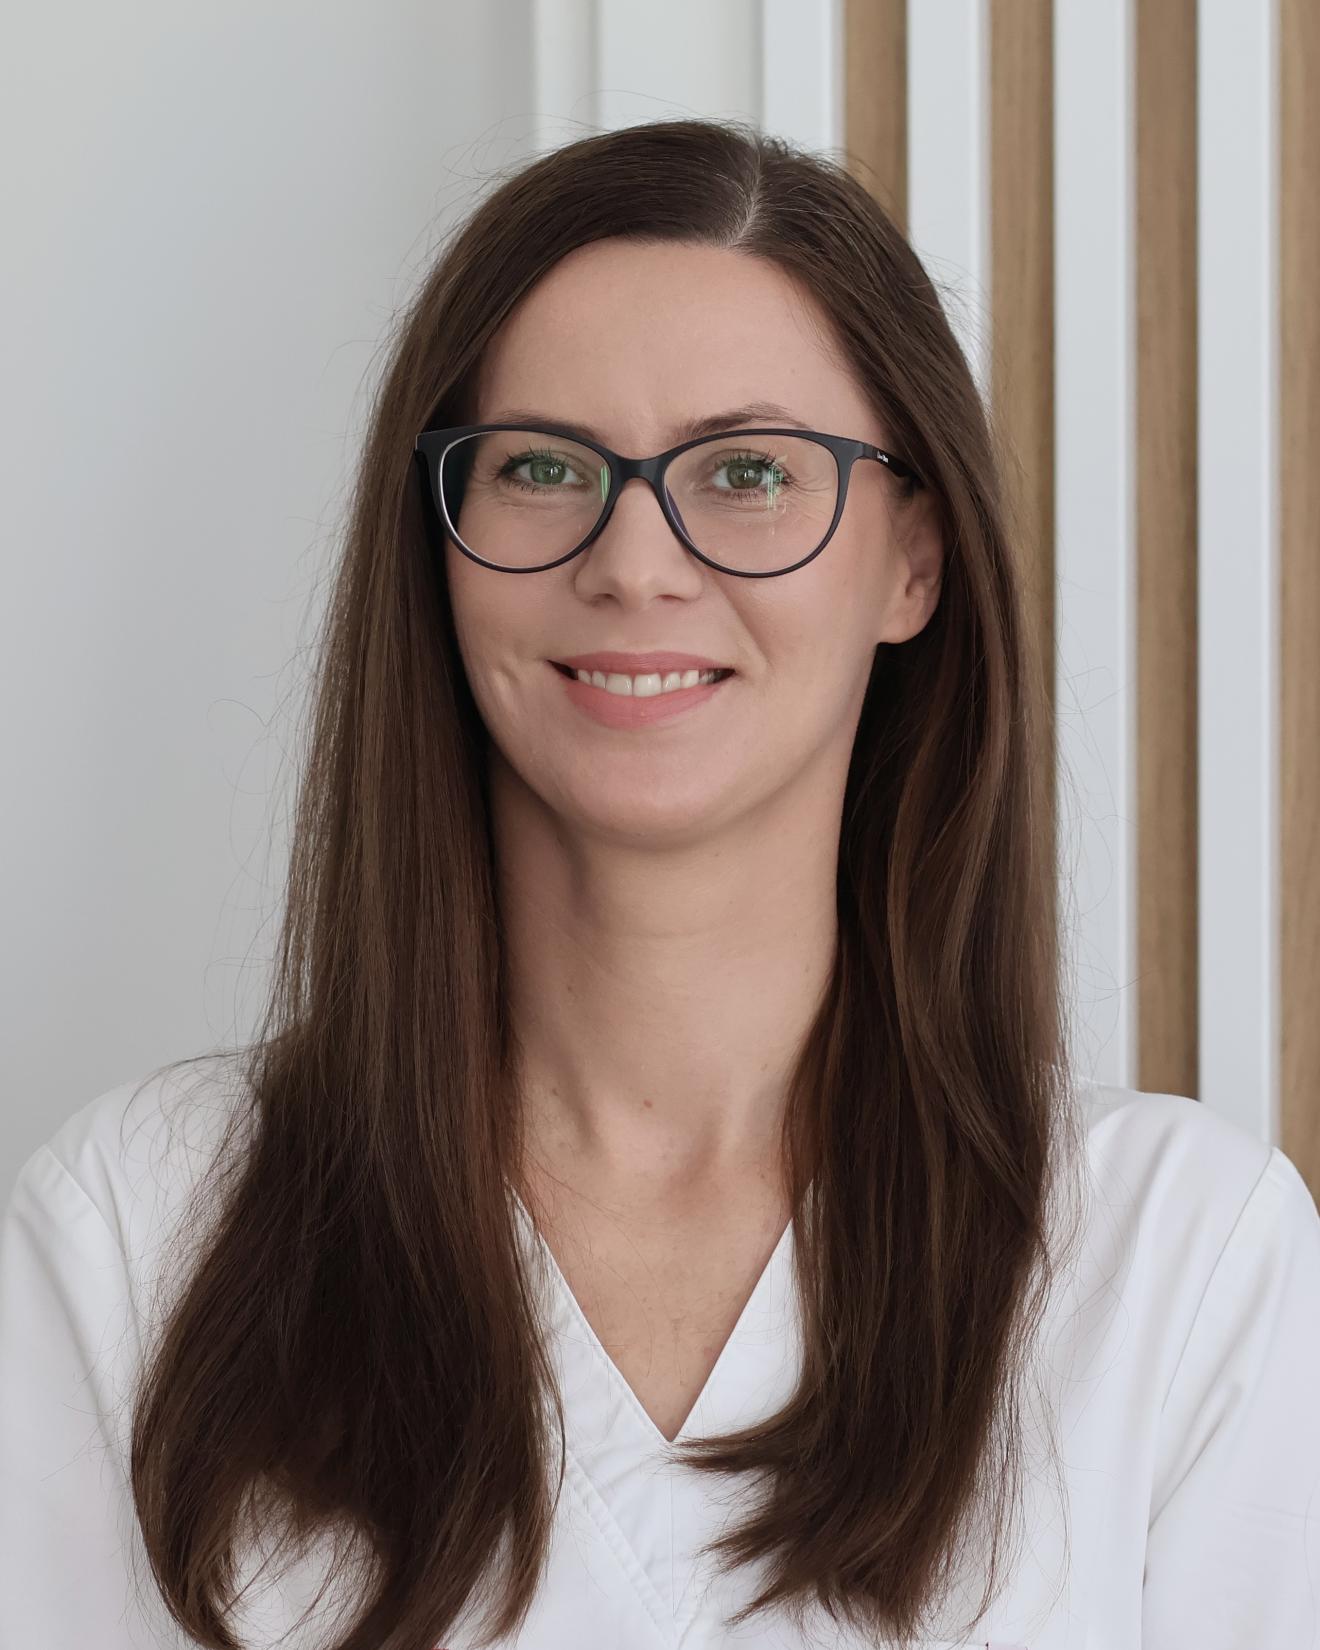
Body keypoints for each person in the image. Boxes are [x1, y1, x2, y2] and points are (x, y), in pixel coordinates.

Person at [2, 117, 1319, 1650]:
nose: (635, 560)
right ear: (437, 547)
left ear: (914, 562)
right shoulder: (141, 1233)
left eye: (750, 471)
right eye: (542, 467)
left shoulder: (1183, 1265)